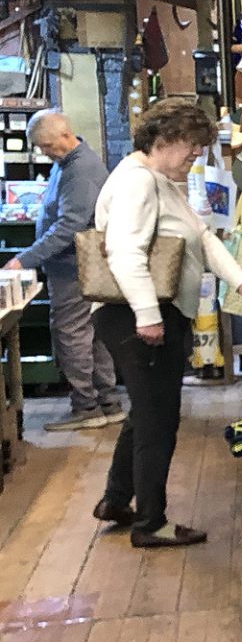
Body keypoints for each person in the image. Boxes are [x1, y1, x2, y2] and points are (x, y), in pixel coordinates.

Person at [93, 98, 242, 548]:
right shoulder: (138, 182)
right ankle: (150, 524)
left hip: (149, 312)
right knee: (159, 421)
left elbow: (203, 238)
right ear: (164, 139)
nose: (195, 156)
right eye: (191, 146)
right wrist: (148, 317)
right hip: (140, 315)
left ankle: (116, 499)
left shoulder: (159, 180)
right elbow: (124, 253)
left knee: (145, 412)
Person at [7, 111, 121, 430]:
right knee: (90, 334)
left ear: (64, 136)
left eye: (45, 145)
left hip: (74, 267)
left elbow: (69, 225)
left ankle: (87, 406)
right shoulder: (68, 164)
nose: (43, 152)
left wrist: (24, 259)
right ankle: (106, 401)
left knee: (72, 334)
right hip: (73, 266)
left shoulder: (80, 169)